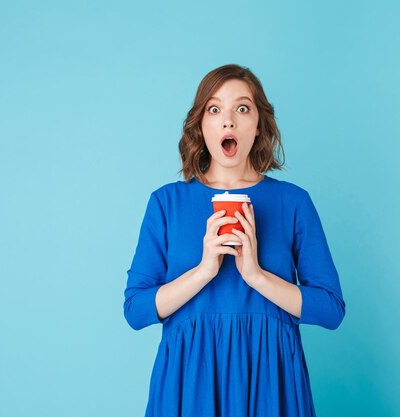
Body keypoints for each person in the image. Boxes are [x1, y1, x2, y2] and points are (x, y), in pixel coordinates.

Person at [123, 63, 345, 417]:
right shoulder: (166, 203)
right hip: (188, 382)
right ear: (201, 125)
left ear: (258, 125)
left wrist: (256, 275)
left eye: (242, 108)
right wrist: (204, 271)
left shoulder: (294, 202)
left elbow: (332, 309)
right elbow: (136, 311)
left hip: (271, 381)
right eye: (215, 109)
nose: (229, 120)